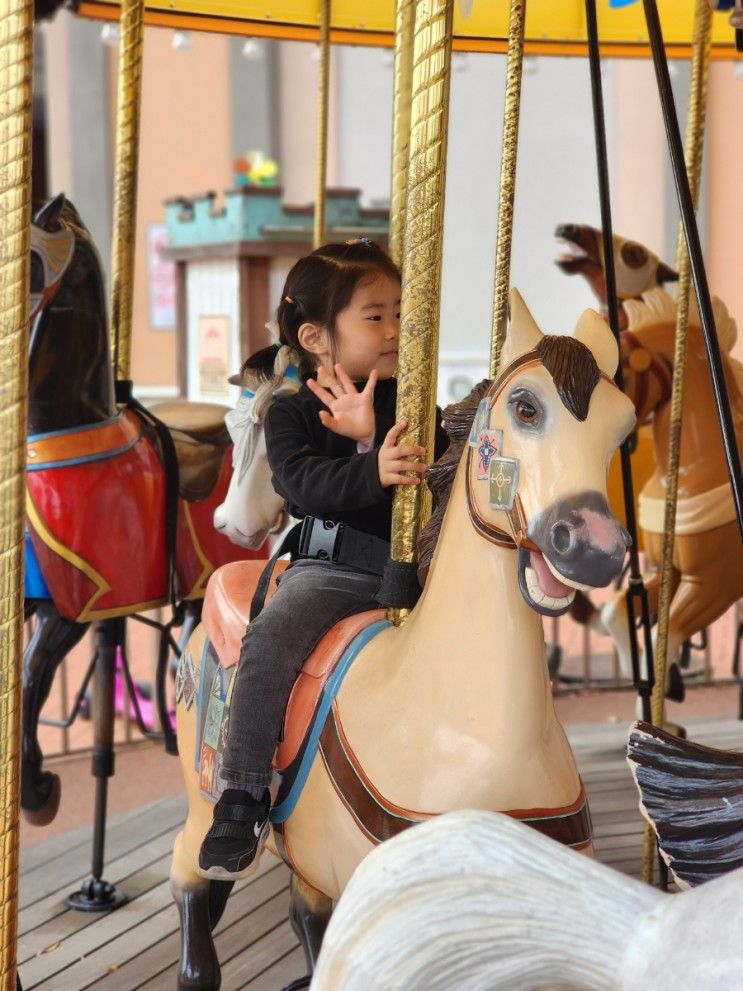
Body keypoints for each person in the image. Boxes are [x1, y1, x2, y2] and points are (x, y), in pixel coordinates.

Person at [199, 239, 449, 879]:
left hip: (418, 568)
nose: (396, 329)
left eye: (400, 311)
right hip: (335, 570)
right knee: (274, 636)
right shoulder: (291, 415)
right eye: (375, 315)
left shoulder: (410, 402)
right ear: (316, 336)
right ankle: (243, 791)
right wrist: (371, 467)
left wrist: (372, 435)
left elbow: (439, 473)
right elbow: (305, 488)